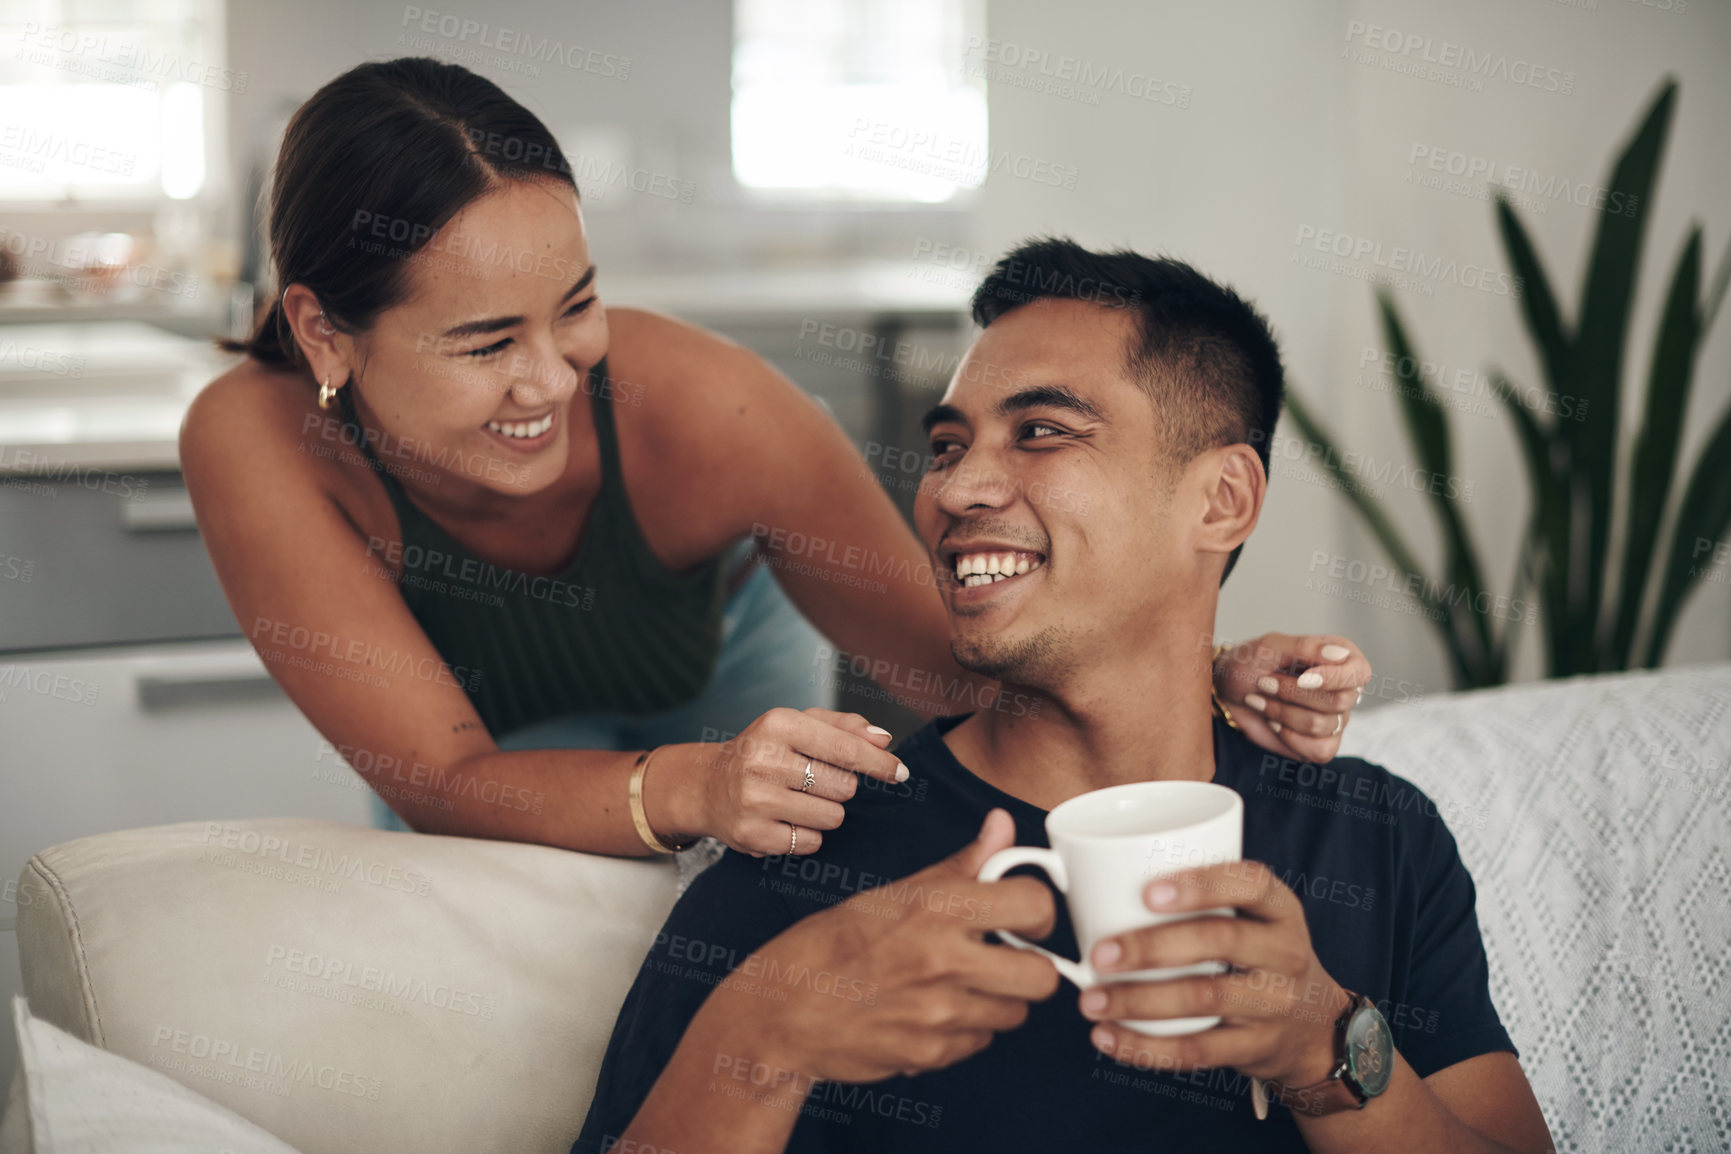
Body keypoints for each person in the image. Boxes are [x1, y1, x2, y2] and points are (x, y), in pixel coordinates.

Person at [182, 58, 1368, 882]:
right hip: (470, 754)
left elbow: (947, 662)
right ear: (327, 331)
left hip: (714, 670)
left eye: (577, 306)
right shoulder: (254, 442)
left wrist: (1196, 669)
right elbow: (443, 775)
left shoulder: (717, 412)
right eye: (487, 342)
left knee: (731, 908)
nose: (550, 378)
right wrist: (689, 790)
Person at [575, 240, 1554, 1153]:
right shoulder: (801, 850)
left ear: (1221, 500)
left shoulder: (1379, 836)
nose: (954, 490)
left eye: (1040, 431)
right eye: (950, 444)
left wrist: (1327, 1049)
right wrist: (764, 1037)